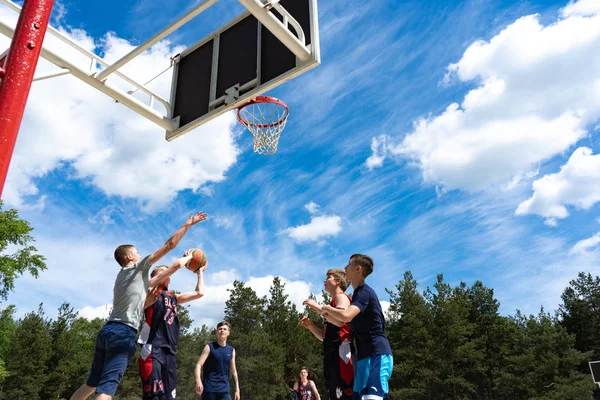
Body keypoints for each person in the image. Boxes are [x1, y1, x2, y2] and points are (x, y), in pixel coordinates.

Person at [70, 212, 208, 400]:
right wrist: (189, 243)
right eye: (137, 253)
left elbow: (190, 288)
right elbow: (170, 249)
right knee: (108, 386)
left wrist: (196, 272)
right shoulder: (138, 271)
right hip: (126, 333)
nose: (141, 255)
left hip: (108, 330)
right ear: (129, 257)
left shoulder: (128, 279)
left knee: (92, 383)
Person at [319, 255, 393, 400]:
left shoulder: (364, 292)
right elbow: (341, 322)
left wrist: (325, 308)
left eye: (349, 264)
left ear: (358, 269)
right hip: (364, 357)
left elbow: (345, 316)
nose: (345, 267)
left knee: (372, 397)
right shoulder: (357, 295)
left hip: (377, 354)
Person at [139, 259, 208, 400]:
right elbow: (165, 274)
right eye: (162, 271)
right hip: (153, 348)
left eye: (167, 271)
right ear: (155, 277)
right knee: (152, 396)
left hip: (170, 351)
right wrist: (183, 262)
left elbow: (200, 292)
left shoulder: (173, 297)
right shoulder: (150, 292)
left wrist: (199, 271)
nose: (166, 273)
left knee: (169, 397)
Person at [301, 270, 354, 400]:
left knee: (343, 393)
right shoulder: (332, 303)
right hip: (331, 352)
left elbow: (341, 321)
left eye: (328, 277)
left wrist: (317, 307)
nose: (324, 280)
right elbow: (326, 338)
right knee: (333, 393)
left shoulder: (341, 297)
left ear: (338, 281)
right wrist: (311, 327)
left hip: (342, 352)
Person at [194, 321, 240, 400]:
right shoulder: (209, 347)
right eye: (220, 329)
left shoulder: (231, 350)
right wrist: (198, 381)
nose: (222, 330)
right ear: (217, 332)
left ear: (228, 333)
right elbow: (198, 365)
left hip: (224, 389)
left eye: (225, 329)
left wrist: (237, 389)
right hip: (209, 389)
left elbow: (233, 371)